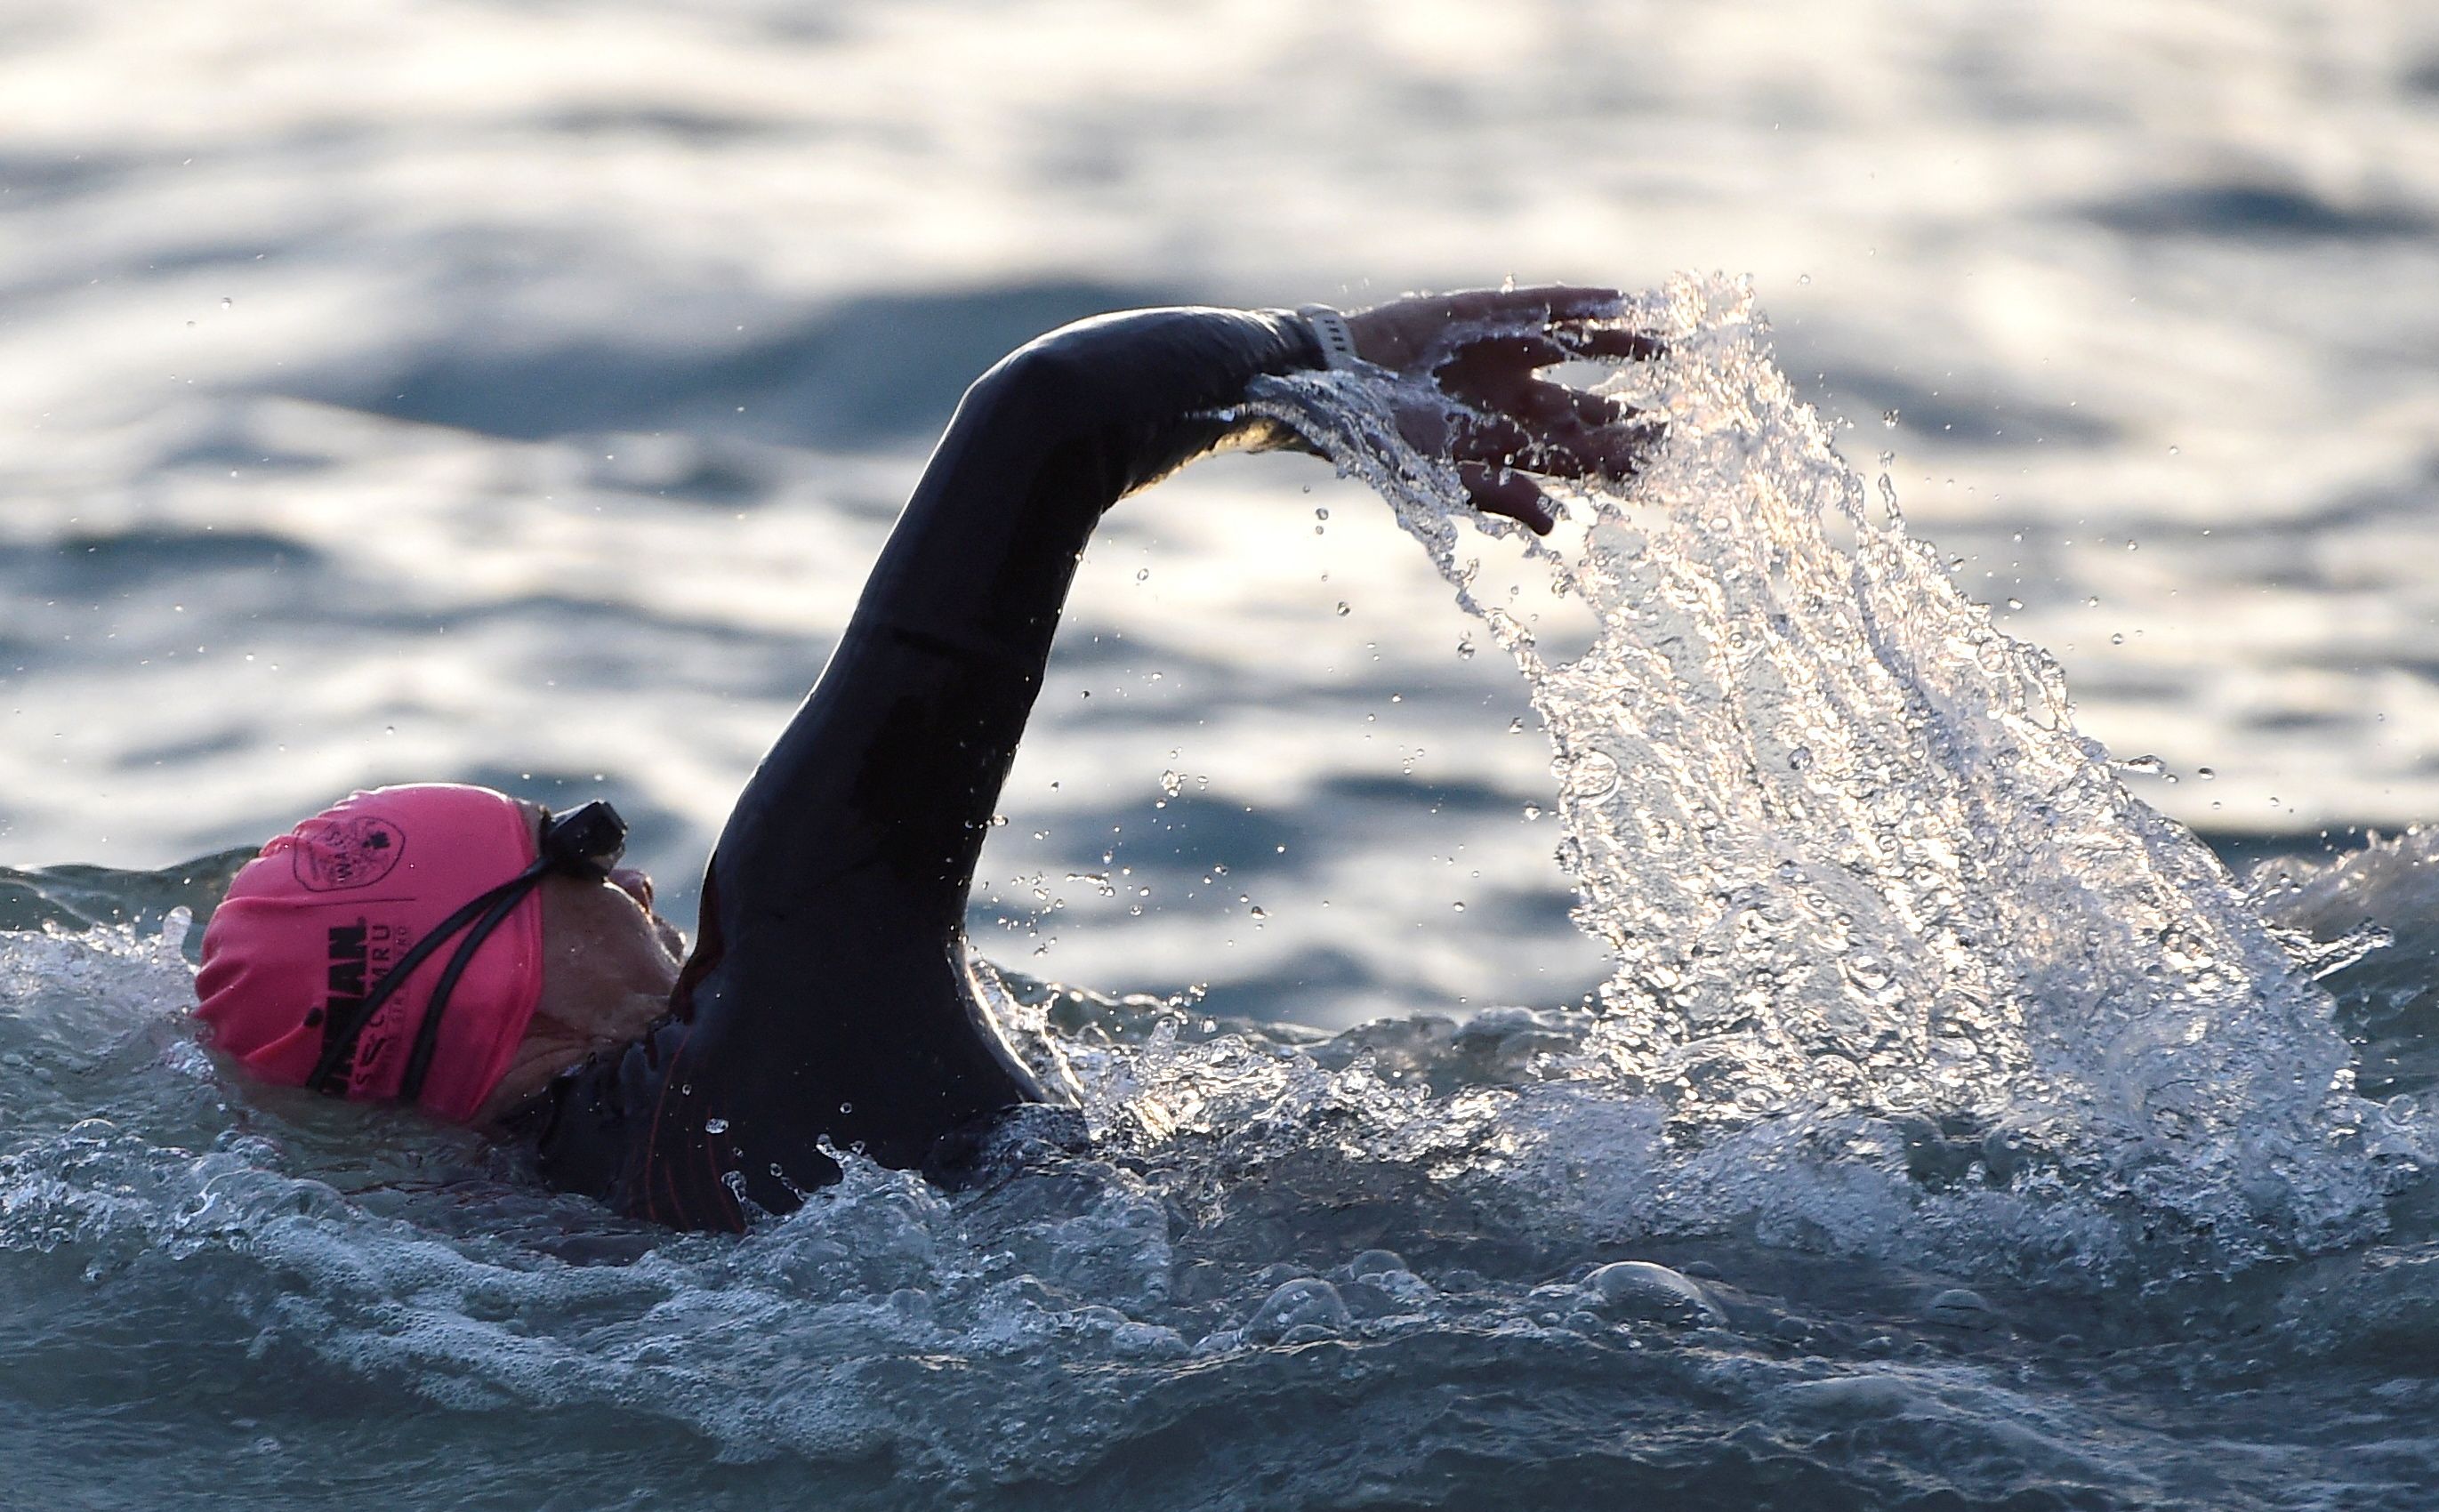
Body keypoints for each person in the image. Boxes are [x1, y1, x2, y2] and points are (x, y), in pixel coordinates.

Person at [194, 287, 1653, 1232]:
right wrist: (1325, 365)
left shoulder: (556, 1222)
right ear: (492, 985)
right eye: (571, 842)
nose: (631, 872)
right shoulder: (781, 995)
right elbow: (1048, 416)